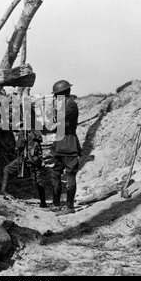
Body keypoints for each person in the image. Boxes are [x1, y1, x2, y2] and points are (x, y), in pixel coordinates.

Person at [49, 80, 82, 215]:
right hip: (61, 143)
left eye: (56, 95)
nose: (55, 98)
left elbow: (57, 123)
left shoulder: (70, 106)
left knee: (70, 175)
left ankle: (69, 207)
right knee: (55, 173)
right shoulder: (64, 105)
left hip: (69, 143)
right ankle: (56, 203)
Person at [0, 128, 47, 208]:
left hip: (24, 157)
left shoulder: (23, 133)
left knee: (7, 169)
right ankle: (43, 202)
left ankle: (3, 191)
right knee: (38, 179)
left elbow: (19, 145)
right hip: (35, 158)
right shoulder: (36, 132)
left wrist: (20, 138)